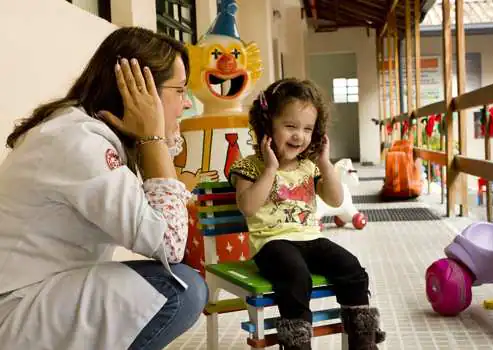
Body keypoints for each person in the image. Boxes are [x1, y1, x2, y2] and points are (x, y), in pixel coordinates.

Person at [0, 27, 207, 350]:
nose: (185, 105)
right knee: (182, 289)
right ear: (141, 92)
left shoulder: (81, 130)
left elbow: (162, 222)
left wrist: (157, 139)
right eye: (180, 91)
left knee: (178, 279)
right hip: (15, 307)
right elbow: (169, 243)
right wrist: (153, 137)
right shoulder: (80, 142)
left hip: (36, 292)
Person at [229, 78, 386, 350]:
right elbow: (248, 207)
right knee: (296, 276)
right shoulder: (249, 166)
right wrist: (270, 169)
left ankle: (363, 339)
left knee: (352, 268)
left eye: (307, 129)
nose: (299, 136)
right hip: (272, 244)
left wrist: (325, 163)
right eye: (290, 126)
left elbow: (336, 199)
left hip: (310, 239)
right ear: (266, 126)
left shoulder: (309, 166)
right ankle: (297, 343)